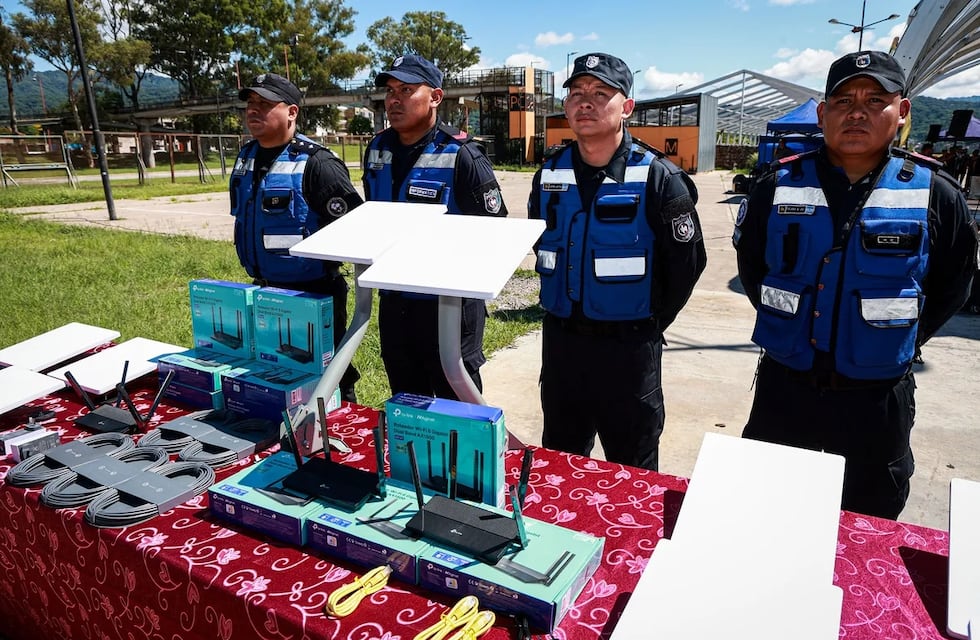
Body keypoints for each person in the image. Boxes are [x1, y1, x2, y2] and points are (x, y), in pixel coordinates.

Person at [733, 51, 979, 519]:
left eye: (875, 99)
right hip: (786, 390)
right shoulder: (777, 184)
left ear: (902, 111)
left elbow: (953, 285)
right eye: (843, 100)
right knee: (767, 516)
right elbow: (753, 271)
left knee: (868, 528)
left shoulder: (935, 192)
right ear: (823, 113)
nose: (857, 111)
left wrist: (891, 338)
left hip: (875, 398)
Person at [529, 53, 707, 471]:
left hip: (628, 352)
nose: (585, 103)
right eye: (576, 93)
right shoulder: (549, 174)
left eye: (600, 93)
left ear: (627, 107)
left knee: (633, 470)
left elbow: (686, 265)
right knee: (559, 461)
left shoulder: (659, 177)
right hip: (563, 347)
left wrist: (646, 323)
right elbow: (540, 242)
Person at [363, 55, 508, 399]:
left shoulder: (462, 155)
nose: (394, 99)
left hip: (448, 308)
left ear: (436, 97)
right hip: (395, 303)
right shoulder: (376, 149)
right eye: (391, 90)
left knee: (458, 404)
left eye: (407, 90)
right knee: (407, 401)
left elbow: (494, 233)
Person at [231, 73, 362, 401]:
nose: (253, 111)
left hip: (313, 295)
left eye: (264, 103)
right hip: (264, 291)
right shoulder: (245, 158)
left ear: (291, 112)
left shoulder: (318, 163)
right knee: (278, 374)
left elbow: (357, 227)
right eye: (250, 104)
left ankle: (341, 431)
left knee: (329, 377)